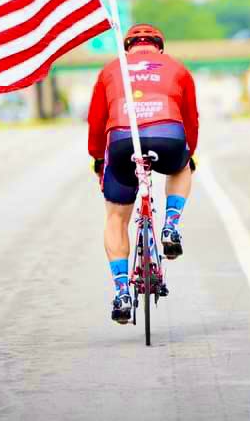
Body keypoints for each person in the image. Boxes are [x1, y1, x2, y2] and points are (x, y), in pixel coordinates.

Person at [87, 23, 199, 324]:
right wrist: (189, 152)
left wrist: (98, 157)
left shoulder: (112, 69)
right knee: (182, 164)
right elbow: (191, 118)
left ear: (128, 47)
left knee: (115, 217)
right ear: (159, 46)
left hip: (122, 141)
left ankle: (122, 292)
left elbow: (96, 120)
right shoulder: (177, 67)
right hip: (169, 135)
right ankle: (170, 226)